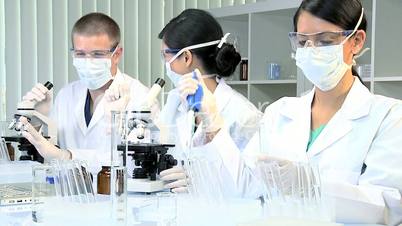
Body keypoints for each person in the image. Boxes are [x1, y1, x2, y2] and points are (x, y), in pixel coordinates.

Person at [190, 0, 402, 223]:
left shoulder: (388, 116)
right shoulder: (280, 112)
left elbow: (387, 206)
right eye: (302, 42)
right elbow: (245, 185)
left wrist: (309, 185)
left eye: (324, 41)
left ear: (356, 41)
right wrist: (212, 123)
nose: (311, 51)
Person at [20, 13, 158, 173]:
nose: (88, 61)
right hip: (71, 193)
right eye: (80, 54)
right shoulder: (66, 95)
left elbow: (136, 164)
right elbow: (47, 151)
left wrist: (68, 156)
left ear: (117, 54)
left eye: (97, 54)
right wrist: (37, 119)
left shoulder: (142, 99)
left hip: (119, 194)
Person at [156, 9, 262, 193]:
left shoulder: (242, 114)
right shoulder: (177, 102)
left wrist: (200, 181)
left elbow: (252, 188)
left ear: (186, 57)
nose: (166, 64)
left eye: (166, 56)